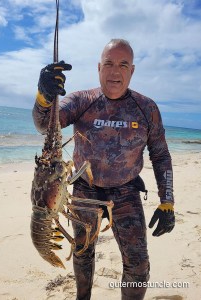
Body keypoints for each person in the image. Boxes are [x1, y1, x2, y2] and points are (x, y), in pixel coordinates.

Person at [32, 39, 175, 300]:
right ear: (99, 67)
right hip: (85, 188)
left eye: (123, 64)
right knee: (82, 252)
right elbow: (45, 126)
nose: (115, 71)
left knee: (138, 264)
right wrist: (44, 96)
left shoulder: (147, 108)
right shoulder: (81, 100)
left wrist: (167, 201)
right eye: (108, 63)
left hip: (126, 191)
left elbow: (161, 155)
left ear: (132, 70)